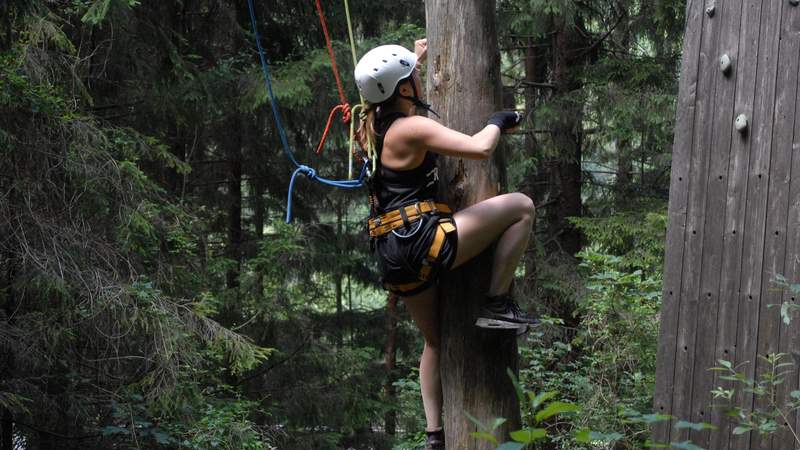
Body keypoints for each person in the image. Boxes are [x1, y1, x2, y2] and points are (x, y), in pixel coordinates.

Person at [354, 39, 538, 450]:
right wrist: (497, 119)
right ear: (403, 89)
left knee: (434, 341)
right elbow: (480, 147)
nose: (420, 78)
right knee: (522, 208)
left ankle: (434, 434)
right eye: (415, 76)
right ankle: (496, 303)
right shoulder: (412, 127)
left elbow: (384, 86)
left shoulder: (371, 127)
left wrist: (413, 58)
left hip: (393, 255)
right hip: (423, 240)